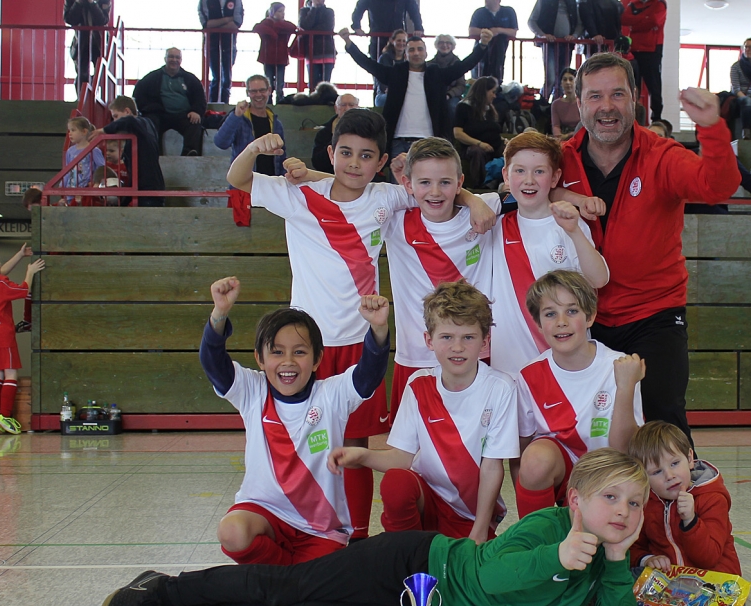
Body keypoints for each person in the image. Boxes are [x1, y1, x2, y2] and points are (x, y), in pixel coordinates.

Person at [99, 447, 647, 606]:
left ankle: (219, 603)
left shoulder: (604, 559)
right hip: (416, 564)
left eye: (635, 503)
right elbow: (488, 577)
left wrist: (619, 561)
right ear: (575, 500)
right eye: (611, 498)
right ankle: (163, 592)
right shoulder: (550, 529)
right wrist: (555, 558)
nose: (623, 512)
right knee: (290, 585)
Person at [226, 110, 412, 540]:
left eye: (365, 156)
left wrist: (474, 200)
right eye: (345, 153)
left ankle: (357, 537)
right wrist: (255, 148)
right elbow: (238, 178)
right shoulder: (299, 195)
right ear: (331, 152)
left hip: (361, 345)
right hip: (308, 348)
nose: (354, 163)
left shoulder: (386, 197)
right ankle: (309, 530)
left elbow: (437, 190)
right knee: (309, 443)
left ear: (381, 162)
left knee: (356, 447)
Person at [557, 52, 740, 452]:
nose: (606, 106)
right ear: (579, 103)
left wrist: (711, 128)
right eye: (595, 96)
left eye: (617, 94)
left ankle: (686, 492)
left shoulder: (662, 155)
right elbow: (517, 190)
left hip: (654, 316)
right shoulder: (560, 160)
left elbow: (718, 186)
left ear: (635, 100)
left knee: (662, 422)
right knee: (585, 430)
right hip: (584, 319)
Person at [200, 275, 390, 565]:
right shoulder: (252, 391)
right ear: (260, 359)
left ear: (317, 360)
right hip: (265, 515)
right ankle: (287, 576)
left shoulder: (331, 395)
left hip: (321, 530)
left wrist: (378, 329)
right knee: (232, 531)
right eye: (277, 352)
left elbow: (369, 374)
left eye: (299, 352)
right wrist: (219, 314)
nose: (288, 361)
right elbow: (213, 364)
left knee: (319, 584)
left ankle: (286, 578)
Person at [329, 281, 518, 543]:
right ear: (429, 340)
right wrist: (363, 455)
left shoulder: (501, 388)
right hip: (427, 502)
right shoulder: (418, 385)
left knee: (467, 565)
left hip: (471, 516)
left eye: (468, 337)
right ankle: (406, 553)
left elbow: (492, 467)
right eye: (447, 337)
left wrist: (479, 531)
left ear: (485, 341)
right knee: (396, 483)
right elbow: (402, 458)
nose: (457, 347)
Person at [378, 138, 501, 418]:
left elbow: (534, 194)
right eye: (424, 182)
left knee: (475, 436)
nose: (435, 192)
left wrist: (474, 200)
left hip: (473, 353)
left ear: (459, 183)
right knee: (413, 441)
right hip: (416, 356)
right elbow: (349, 185)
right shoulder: (396, 220)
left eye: (445, 182)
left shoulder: (484, 211)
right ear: (408, 184)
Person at [516, 270, 644, 517]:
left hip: (612, 471)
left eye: (572, 311)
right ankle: (538, 534)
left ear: (590, 316)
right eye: (550, 314)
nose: (561, 321)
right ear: (538, 324)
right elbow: (520, 457)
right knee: (535, 459)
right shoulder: (529, 375)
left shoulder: (619, 365)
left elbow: (625, 450)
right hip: (565, 475)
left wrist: (626, 387)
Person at [490, 133, 607, 374]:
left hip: (563, 364)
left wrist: (574, 231)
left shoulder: (569, 223)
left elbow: (599, 279)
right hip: (508, 367)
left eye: (539, 172)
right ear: (506, 175)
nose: (529, 180)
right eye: (519, 171)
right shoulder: (494, 225)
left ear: (555, 178)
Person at [339, 28, 494, 165]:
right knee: (397, 186)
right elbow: (368, 64)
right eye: (411, 50)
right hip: (398, 140)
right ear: (405, 54)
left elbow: (464, 65)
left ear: (426, 53)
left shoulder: (437, 74)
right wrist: (349, 44)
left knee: (427, 183)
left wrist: (482, 45)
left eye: (420, 49)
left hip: (430, 141)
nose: (416, 53)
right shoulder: (395, 73)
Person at [627, 421, 742, 578]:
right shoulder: (646, 504)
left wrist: (691, 521)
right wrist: (647, 559)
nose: (669, 476)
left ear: (689, 458)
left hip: (716, 583)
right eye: (657, 472)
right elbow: (632, 546)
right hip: (670, 582)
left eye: (675, 463)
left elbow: (709, 558)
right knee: (629, 577)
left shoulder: (712, 499)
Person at [0, 245, 45, 435]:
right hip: (4, 334)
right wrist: (30, 272)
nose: (0, 263)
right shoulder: (0, 283)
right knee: (11, 374)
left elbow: (0, 273)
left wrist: (19, 255)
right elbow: (23, 290)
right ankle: (5, 416)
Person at [214, 75, 286, 226]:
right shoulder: (239, 118)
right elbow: (221, 142)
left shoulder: (276, 122)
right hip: (245, 187)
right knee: (243, 232)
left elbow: (282, 156)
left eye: (262, 90)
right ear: (247, 93)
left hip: (271, 187)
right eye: (253, 91)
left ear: (269, 91)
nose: (258, 95)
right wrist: (235, 116)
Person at [91, 96, 166, 207]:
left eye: (116, 116)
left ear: (127, 111)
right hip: (151, 188)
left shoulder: (140, 123)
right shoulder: (147, 126)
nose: (115, 121)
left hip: (147, 190)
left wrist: (104, 130)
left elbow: (129, 121)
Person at [131, 48, 206, 157]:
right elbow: (138, 95)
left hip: (184, 115)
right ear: (165, 58)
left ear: (181, 60)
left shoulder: (191, 79)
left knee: (195, 123)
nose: (174, 60)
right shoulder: (151, 78)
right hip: (160, 115)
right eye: (171, 56)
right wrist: (149, 110)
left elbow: (200, 98)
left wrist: (196, 111)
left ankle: (189, 153)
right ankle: (154, 153)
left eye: (177, 57)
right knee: (150, 122)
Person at [453, 76, 505, 188]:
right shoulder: (463, 107)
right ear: (484, 91)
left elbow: (493, 132)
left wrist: (503, 140)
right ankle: (480, 185)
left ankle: (502, 182)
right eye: (493, 92)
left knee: (510, 150)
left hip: (494, 145)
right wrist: (480, 143)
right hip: (473, 146)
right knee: (478, 151)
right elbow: (458, 133)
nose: (495, 96)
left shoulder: (490, 110)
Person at [620, 0, 665, 123]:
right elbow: (624, 19)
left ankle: (656, 118)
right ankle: (633, 116)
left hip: (652, 50)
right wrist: (644, 18)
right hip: (635, 49)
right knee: (633, 85)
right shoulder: (634, 4)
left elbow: (654, 21)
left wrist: (635, 23)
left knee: (654, 86)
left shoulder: (659, 4)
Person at [529, 0, 581, 102]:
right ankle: (542, 104)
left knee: (562, 79)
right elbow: (531, 21)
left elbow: (580, 24)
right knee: (551, 78)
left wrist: (574, 36)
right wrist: (542, 35)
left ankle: (556, 104)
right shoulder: (544, 1)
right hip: (549, 45)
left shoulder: (573, 2)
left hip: (566, 45)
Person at [198, 0, 243, 104]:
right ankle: (213, 105)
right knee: (216, 77)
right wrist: (227, 19)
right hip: (212, 45)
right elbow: (206, 24)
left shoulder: (236, 1)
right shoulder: (205, 1)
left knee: (227, 78)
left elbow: (237, 23)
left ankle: (225, 105)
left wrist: (216, 25)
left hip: (229, 45)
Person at [351, 0, 424, 63]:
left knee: (399, 67)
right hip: (378, 38)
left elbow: (414, 10)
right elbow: (360, 8)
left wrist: (418, 27)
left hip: (397, 39)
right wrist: (356, 26)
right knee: (376, 67)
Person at [63, 0, 111, 95]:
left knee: (101, 74)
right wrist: (78, 3)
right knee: (82, 74)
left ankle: (98, 98)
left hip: (99, 43)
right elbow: (69, 19)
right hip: (81, 42)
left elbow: (102, 20)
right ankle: (82, 99)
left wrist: (92, 3)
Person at [253, 2, 297, 104]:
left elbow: (293, 27)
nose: (283, 14)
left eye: (283, 11)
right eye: (280, 11)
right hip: (268, 57)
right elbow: (256, 27)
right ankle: (268, 100)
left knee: (280, 82)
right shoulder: (266, 23)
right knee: (268, 80)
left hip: (280, 57)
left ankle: (279, 101)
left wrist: (275, 27)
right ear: (272, 12)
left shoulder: (284, 25)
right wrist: (272, 31)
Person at [469, 0, 518, 83]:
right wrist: (488, 32)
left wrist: (498, 30)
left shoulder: (509, 11)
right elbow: (471, 31)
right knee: (479, 73)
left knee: (498, 71)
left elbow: (513, 32)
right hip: (481, 50)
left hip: (500, 51)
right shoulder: (479, 12)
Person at [311, 94, 360, 174]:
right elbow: (318, 163)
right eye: (343, 105)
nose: (347, 109)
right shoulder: (324, 133)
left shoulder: (368, 130)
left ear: (358, 107)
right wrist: (335, 138)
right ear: (336, 108)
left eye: (351, 105)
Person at [62, 116, 105, 203]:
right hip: (71, 189)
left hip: (86, 189)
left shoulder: (94, 150)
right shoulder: (70, 151)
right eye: (69, 130)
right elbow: (67, 170)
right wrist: (63, 184)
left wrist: (96, 182)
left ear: (84, 131)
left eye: (73, 130)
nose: (70, 133)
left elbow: (102, 167)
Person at [299, 0, 336, 91]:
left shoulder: (329, 11)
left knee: (325, 85)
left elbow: (328, 27)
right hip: (311, 52)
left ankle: (324, 99)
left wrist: (310, 31)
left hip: (327, 52)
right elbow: (304, 26)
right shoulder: (304, 11)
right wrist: (313, 9)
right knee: (312, 85)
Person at [429, 34, 466, 121]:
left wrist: (449, 94)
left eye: (448, 43)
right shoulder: (430, 64)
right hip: (435, 95)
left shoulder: (458, 64)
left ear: (452, 46)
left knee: (450, 107)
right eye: (441, 42)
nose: (444, 45)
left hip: (452, 96)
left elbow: (461, 86)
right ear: (437, 45)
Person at [374, 29, 407, 107]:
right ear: (392, 41)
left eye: (404, 41)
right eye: (399, 40)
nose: (401, 43)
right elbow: (380, 80)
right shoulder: (384, 58)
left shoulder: (408, 59)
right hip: (383, 95)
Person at [551, 67, 581, 141]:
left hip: (581, 136)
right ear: (561, 83)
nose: (568, 82)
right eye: (565, 80)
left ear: (576, 82)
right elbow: (556, 126)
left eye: (571, 79)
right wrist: (560, 137)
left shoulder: (583, 102)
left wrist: (572, 135)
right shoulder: (556, 104)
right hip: (563, 138)